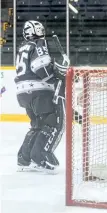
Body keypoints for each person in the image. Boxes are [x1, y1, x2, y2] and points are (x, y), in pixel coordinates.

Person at [15, 20, 68, 172]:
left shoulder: (23, 47)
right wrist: (57, 74)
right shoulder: (38, 44)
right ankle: (40, 155)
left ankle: (24, 158)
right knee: (53, 121)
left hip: (24, 94)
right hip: (39, 91)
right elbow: (41, 68)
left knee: (37, 124)